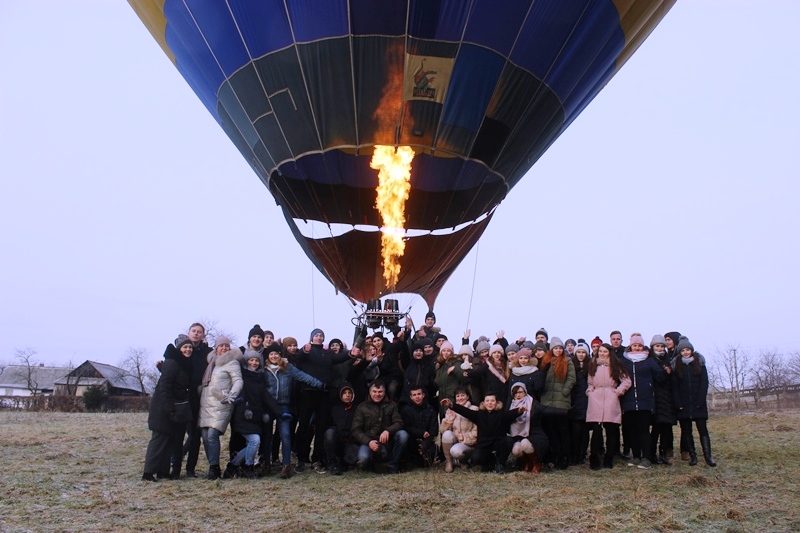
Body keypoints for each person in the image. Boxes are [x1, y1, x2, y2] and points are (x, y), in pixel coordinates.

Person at [294, 328, 355, 472]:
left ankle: (317, 459)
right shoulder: (307, 350)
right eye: (316, 335)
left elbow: (339, 358)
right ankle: (301, 459)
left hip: (323, 393)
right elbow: (298, 358)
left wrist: (351, 353)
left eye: (321, 335)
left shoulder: (327, 353)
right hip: (308, 392)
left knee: (321, 427)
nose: (319, 337)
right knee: (304, 426)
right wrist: (304, 350)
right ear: (311, 338)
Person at [262, 342, 324, 479]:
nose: (273, 356)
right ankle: (266, 463)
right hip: (269, 406)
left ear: (280, 355)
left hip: (284, 406)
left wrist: (319, 384)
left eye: (276, 354)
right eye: (271, 354)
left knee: (285, 434)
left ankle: (286, 465)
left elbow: (303, 376)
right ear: (268, 356)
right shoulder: (264, 370)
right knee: (267, 436)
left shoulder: (288, 368)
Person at [224, 350, 282, 479]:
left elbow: (267, 397)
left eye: (256, 361)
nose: (254, 363)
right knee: (255, 441)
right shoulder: (242, 376)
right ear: (246, 362)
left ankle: (233, 466)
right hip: (243, 415)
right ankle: (248, 466)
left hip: (255, 417)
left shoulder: (260, 378)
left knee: (253, 443)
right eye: (251, 360)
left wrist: (280, 412)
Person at [142, 336, 194, 481]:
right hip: (163, 408)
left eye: (190, 347)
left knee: (169, 440)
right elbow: (164, 386)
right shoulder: (172, 363)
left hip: (173, 408)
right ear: (179, 349)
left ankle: (163, 471)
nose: (188, 350)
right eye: (185, 347)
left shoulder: (182, 363)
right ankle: (148, 473)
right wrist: (169, 408)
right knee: (159, 440)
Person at [197, 335, 244, 480]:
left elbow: (238, 380)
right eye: (221, 345)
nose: (224, 348)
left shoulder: (232, 362)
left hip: (222, 404)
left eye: (226, 345)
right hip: (206, 404)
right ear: (216, 348)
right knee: (205, 437)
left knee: (212, 435)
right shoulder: (212, 362)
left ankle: (213, 468)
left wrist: (231, 395)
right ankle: (214, 466)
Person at [619, 333, 665, 469]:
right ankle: (636, 457)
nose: (637, 348)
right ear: (630, 346)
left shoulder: (649, 360)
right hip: (628, 401)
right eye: (635, 345)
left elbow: (659, 376)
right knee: (632, 431)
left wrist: (665, 371)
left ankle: (647, 457)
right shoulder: (624, 362)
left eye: (639, 345)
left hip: (645, 401)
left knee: (644, 430)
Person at [501, 382, 567, 473]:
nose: (518, 395)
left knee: (525, 443)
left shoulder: (532, 403)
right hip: (518, 437)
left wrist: (565, 412)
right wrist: (518, 411)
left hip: (535, 435)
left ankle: (536, 463)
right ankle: (528, 463)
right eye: (515, 393)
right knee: (516, 450)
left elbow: (546, 409)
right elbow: (505, 417)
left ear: (525, 392)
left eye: (520, 392)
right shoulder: (511, 405)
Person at [440, 392, 511, 473]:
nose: (490, 403)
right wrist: (451, 405)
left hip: (498, 443)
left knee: (508, 441)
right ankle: (489, 463)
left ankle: (500, 464)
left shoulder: (502, 414)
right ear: (483, 403)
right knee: (476, 458)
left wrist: (519, 411)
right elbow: (465, 411)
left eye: (492, 401)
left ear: (497, 402)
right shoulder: (480, 414)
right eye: (487, 401)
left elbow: (512, 414)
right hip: (484, 445)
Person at [586, 343, 631, 470]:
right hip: (596, 398)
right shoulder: (593, 365)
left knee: (611, 429)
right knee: (596, 430)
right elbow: (590, 382)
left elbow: (626, 381)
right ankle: (594, 458)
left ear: (609, 353)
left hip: (611, 397)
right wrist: (590, 392)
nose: (602, 354)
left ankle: (609, 458)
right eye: (600, 351)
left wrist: (617, 392)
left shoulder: (616, 365)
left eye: (605, 351)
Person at [672, 337, 716, 467]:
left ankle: (708, 456)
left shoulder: (699, 363)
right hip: (684, 405)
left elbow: (704, 383)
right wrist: (678, 403)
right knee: (687, 431)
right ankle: (693, 456)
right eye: (683, 350)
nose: (685, 352)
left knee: (703, 430)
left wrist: (701, 400)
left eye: (687, 350)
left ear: (691, 350)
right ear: (680, 352)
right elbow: (674, 387)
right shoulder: (677, 366)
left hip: (698, 403)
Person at [351, 380, 409, 474]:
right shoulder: (361, 407)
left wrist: (388, 431)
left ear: (384, 392)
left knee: (403, 435)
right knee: (363, 459)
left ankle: (392, 464)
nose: (377, 394)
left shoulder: (392, 405)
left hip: (388, 440)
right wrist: (368, 441)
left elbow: (399, 422)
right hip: (369, 441)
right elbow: (355, 430)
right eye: (374, 391)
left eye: (380, 392)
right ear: (370, 392)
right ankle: (373, 464)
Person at [181, 322, 212, 478]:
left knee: (195, 435)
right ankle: (174, 463)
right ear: (188, 333)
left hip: (199, 396)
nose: (196, 334)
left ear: (203, 335)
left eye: (199, 332)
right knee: (181, 433)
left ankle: (190, 469)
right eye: (193, 331)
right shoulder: (182, 350)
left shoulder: (207, 352)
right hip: (182, 396)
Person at [539, 337, 576, 470]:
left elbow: (571, 378)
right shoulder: (546, 362)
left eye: (560, 348)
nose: (558, 350)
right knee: (551, 431)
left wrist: (564, 391)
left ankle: (565, 457)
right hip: (547, 400)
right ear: (552, 349)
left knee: (563, 430)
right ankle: (555, 455)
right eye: (556, 348)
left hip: (562, 401)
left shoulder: (568, 361)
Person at [649, 334, 676, 465]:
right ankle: (651, 454)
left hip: (667, 398)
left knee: (666, 429)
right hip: (655, 398)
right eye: (657, 346)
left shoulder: (668, 359)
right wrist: (665, 373)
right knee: (656, 428)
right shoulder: (650, 360)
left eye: (661, 346)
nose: (659, 348)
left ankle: (664, 454)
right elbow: (657, 378)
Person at [323, 383, 359, 475]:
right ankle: (333, 463)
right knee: (329, 433)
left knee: (352, 458)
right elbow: (328, 424)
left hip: (351, 441)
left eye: (349, 393)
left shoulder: (357, 409)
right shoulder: (334, 408)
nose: (347, 395)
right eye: (344, 393)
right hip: (337, 440)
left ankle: (343, 462)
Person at [439, 386, 478, 472]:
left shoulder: (474, 409)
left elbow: (477, 432)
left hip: (468, 444)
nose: (460, 398)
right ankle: (449, 462)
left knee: (456, 451)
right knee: (447, 434)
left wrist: (463, 437)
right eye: (458, 396)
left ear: (468, 396)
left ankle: (463, 461)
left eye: (462, 395)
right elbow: (443, 431)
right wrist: (449, 420)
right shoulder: (451, 410)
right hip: (455, 441)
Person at [400, 386, 439, 467]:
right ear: (411, 397)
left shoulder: (430, 410)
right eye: (414, 395)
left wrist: (425, 443)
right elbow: (405, 427)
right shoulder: (406, 410)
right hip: (411, 441)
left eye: (419, 394)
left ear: (423, 395)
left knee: (433, 452)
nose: (417, 397)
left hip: (427, 441)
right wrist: (421, 433)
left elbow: (434, 430)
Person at [569, 342, 591, 465]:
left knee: (585, 430)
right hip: (575, 402)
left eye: (583, 352)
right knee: (575, 430)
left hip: (588, 402)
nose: (581, 354)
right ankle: (574, 453)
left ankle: (582, 454)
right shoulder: (571, 365)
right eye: (578, 352)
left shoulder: (591, 366)